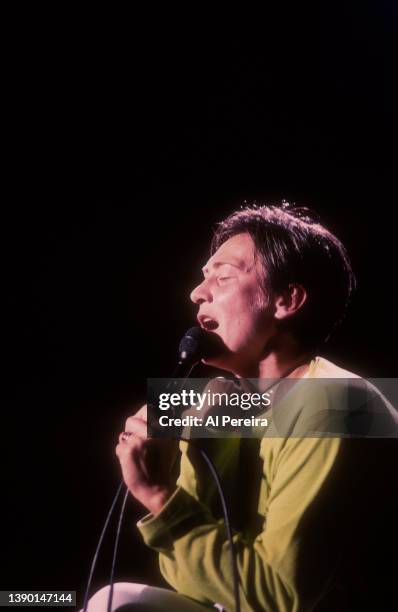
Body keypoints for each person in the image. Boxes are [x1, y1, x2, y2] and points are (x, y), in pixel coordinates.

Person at [83, 204, 398, 611]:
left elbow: (282, 597)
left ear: (287, 300)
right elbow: (200, 587)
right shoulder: (235, 408)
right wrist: (197, 453)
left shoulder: (340, 403)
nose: (197, 293)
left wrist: (161, 498)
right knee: (118, 600)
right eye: (202, 278)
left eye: (224, 276)